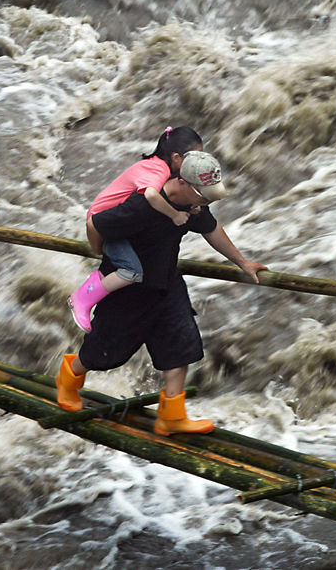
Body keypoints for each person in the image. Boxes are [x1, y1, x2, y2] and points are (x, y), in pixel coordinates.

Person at [56, 150, 269, 436]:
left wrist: (243, 262)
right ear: (181, 182)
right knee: (104, 354)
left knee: (179, 347)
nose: (206, 203)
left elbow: (212, 229)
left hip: (167, 286)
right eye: (203, 196)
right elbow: (97, 223)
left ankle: (171, 416)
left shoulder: (193, 206)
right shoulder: (141, 206)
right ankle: (68, 378)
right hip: (127, 294)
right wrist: (98, 252)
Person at [67, 126, 218, 333]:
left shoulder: (161, 168)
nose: (198, 162)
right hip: (105, 223)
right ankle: (82, 299)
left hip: (117, 224)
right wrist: (175, 215)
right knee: (131, 271)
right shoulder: (158, 170)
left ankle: (88, 290)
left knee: (130, 270)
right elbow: (151, 196)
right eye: (195, 156)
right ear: (176, 157)